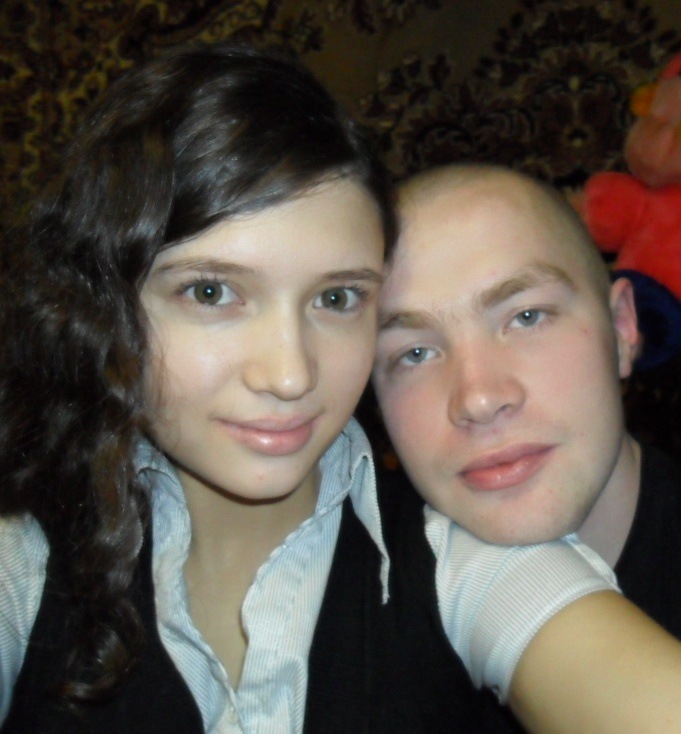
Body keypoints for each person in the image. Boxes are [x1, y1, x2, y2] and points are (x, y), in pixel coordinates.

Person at [0, 41, 676, 734]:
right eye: (211, 292)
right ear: (102, 304)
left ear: (626, 327)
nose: (291, 375)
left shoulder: (462, 560)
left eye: (335, 299)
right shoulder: (22, 557)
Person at [373, 162, 681, 732]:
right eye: (414, 354)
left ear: (622, 329)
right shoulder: (350, 613)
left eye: (526, 317)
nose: (479, 398)